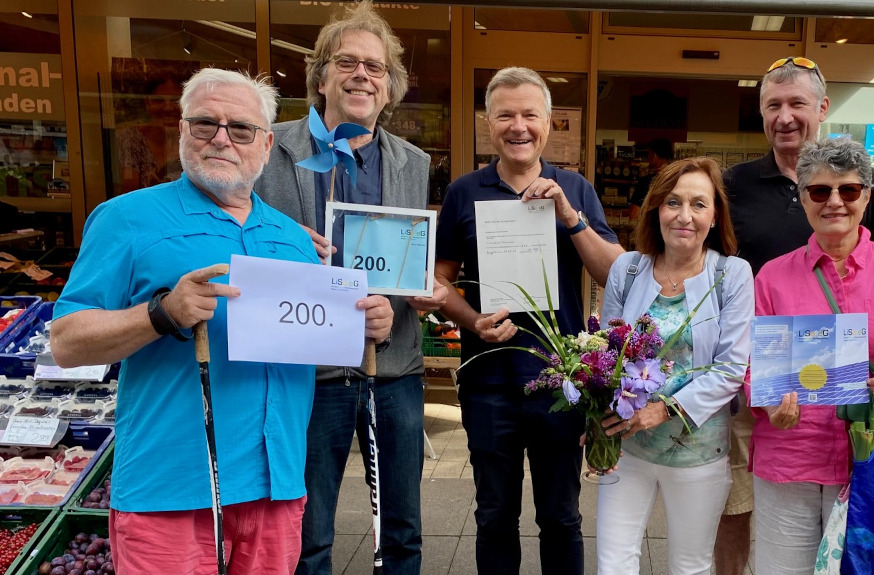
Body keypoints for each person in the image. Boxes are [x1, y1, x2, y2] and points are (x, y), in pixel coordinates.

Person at [48, 68, 394, 575]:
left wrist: (366, 328)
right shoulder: (126, 218)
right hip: (170, 489)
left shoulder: (292, 239)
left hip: (275, 487)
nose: (222, 139)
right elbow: (66, 342)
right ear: (183, 129)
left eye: (241, 128)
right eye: (206, 123)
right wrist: (160, 313)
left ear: (266, 142)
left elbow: (310, 341)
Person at [255, 3, 447, 574]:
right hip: (305, 375)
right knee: (307, 534)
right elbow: (240, 247)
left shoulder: (411, 162)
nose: (363, 74)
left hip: (392, 372)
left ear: (390, 89)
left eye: (376, 67)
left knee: (403, 530)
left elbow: (406, 260)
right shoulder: (268, 148)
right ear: (321, 77)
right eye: (348, 62)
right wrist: (288, 255)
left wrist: (416, 292)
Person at [434, 67, 624, 575]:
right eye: (505, 115)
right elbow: (439, 280)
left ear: (548, 122)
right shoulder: (463, 191)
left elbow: (614, 271)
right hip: (488, 379)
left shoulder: (575, 187)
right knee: (495, 515)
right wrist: (472, 321)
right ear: (487, 124)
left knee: (561, 516)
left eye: (529, 115)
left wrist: (570, 216)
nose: (518, 126)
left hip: (561, 381)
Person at [716, 55, 874, 575]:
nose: (785, 116)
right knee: (737, 505)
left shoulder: (861, 179)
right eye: (772, 105)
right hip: (760, 374)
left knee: (840, 515)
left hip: (841, 386)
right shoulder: (734, 185)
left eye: (797, 103)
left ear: (822, 108)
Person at [750, 137, 874, 574]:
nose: (835, 201)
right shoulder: (773, 276)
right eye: (820, 191)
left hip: (872, 460)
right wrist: (767, 403)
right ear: (803, 199)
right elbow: (753, 367)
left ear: (867, 196)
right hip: (791, 458)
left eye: (849, 190)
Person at [596, 156, 753, 574]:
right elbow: (605, 356)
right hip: (627, 448)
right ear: (656, 210)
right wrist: (596, 421)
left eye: (699, 204)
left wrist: (663, 409)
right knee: (613, 563)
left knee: (689, 566)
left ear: (715, 215)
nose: (685, 216)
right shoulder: (626, 269)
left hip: (697, 452)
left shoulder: (731, 275)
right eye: (673, 202)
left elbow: (730, 368)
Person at [628, 137, 673, 221]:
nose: (648, 159)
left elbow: (634, 214)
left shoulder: (646, 182)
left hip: (650, 230)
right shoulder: (677, 179)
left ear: (654, 156)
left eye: (649, 154)